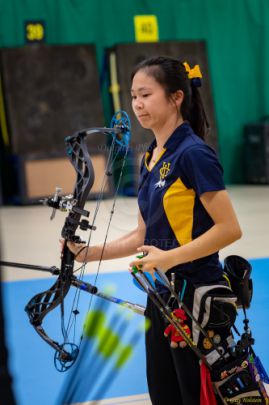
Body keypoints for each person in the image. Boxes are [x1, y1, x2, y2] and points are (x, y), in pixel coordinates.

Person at [67, 56, 242, 405]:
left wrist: (168, 257)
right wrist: (86, 254)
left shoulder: (193, 154)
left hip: (197, 299)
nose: (137, 104)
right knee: (164, 394)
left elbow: (229, 229)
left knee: (200, 396)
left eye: (146, 94)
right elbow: (143, 236)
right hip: (161, 297)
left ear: (176, 97)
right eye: (133, 96)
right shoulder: (150, 157)